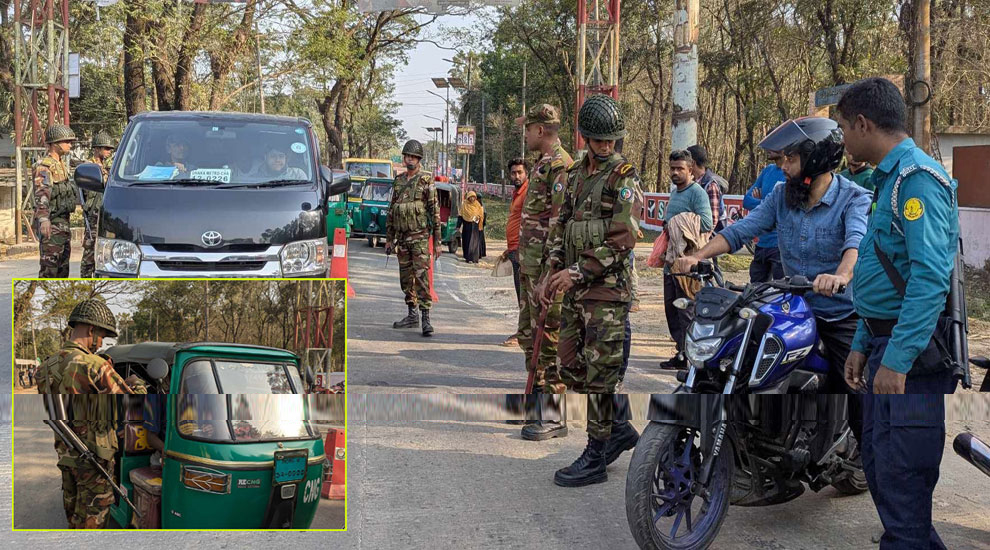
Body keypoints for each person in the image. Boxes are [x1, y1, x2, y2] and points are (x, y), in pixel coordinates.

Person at [675, 117, 870, 444]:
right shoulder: (781, 194)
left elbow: (855, 244)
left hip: (839, 313)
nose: (783, 167)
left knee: (854, 386)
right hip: (793, 307)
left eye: (790, 159)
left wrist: (840, 275)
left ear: (815, 159)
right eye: (782, 159)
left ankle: (870, 455)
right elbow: (740, 231)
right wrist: (699, 256)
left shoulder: (854, 198)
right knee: (742, 359)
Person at [838, 77, 960, 549]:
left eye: (846, 127)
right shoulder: (888, 179)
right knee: (882, 469)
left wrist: (897, 360)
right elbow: (888, 274)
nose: (844, 138)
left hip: (913, 356)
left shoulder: (916, 181)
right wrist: (863, 344)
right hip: (885, 343)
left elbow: (929, 279)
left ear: (865, 124)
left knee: (903, 479)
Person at [543, 94, 643, 486]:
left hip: (605, 292)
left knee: (601, 376)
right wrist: (552, 270)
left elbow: (624, 237)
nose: (606, 147)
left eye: (612, 141)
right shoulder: (575, 175)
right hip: (573, 289)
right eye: (600, 141)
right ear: (585, 138)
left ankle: (596, 454)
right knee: (569, 364)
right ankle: (617, 426)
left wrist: (578, 272)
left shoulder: (624, 177)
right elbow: (561, 224)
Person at [37, 299, 146, 529]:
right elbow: (134, 407)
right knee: (93, 522)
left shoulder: (46, 367)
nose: (100, 343)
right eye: (102, 337)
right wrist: (137, 384)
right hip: (95, 459)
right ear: (90, 330)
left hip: (67, 456)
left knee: (74, 517)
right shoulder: (94, 365)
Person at [514, 104, 572, 441]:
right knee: (529, 334)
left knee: (549, 339)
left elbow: (558, 223)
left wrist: (550, 273)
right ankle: (535, 404)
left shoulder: (561, 166)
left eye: (527, 128)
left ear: (539, 129)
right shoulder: (542, 165)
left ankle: (554, 416)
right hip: (532, 266)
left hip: (546, 270)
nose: (525, 134)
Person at [658, 150, 712, 371]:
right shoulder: (675, 193)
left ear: (691, 169)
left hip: (688, 264)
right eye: (672, 168)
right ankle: (681, 353)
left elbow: (707, 223)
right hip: (671, 262)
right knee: (672, 310)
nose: (675, 172)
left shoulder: (697, 193)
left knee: (687, 311)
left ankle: (691, 358)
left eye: (680, 168)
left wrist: (678, 223)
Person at [386, 139, 442, 337]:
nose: (409, 159)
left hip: (419, 239)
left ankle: (426, 318)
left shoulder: (426, 181)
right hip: (402, 239)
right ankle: (412, 314)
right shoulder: (399, 181)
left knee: (422, 278)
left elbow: (434, 212)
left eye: (413, 157)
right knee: (405, 279)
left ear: (418, 159)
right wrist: (389, 238)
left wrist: (437, 242)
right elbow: (392, 211)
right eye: (407, 156)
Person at [34, 124, 77, 278]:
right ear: (55, 143)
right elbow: (42, 193)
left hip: (63, 224)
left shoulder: (61, 166)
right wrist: (44, 219)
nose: (70, 145)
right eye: (67, 142)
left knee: (63, 270)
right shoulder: (44, 166)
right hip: (52, 224)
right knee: (49, 269)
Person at [743, 150, 787, 282]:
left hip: (780, 246)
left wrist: (763, 201)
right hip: (762, 244)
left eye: (772, 145)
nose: (768, 149)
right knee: (754, 292)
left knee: (782, 292)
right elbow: (746, 201)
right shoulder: (768, 170)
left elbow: (784, 206)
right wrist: (768, 203)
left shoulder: (790, 173)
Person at [499, 157, 530, 347]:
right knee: (521, 293)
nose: (516, 176)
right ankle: (525, 331)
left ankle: (524, 334)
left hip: (523, 249)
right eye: (513, 172)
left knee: (524, 294)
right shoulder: (517, 192)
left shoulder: (528, 192)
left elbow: (528, 221)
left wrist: (521, 248)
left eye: (520, 172)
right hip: (514, 249)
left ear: (526, 173)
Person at [81, 131, 115, 278]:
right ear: (96, 149)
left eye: (109, 149)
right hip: (93, 214)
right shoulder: (89, 167)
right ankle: (86, 278)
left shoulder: (106, 168)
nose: (108, 152)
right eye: (105, 148)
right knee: (90, 250)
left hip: (103, 213)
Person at [686, 144, 728, 233]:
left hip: (711, 240)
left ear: (692, 163)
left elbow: (711, 223)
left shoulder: (710, 186)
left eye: (686, 162)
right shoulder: (693, 183)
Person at [458, 192, 486, 263]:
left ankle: (474, 258)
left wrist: (475, 221)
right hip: (466, 227)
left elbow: (480, 214)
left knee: (474, 243)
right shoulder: (464, 205)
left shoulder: (477, 205)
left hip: (474, 227)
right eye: (470, 197)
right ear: (468, 197)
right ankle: (468, 258)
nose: (472, 198)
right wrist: (458, 226)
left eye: (473, 197)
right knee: (467, 242)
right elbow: (461, 216)